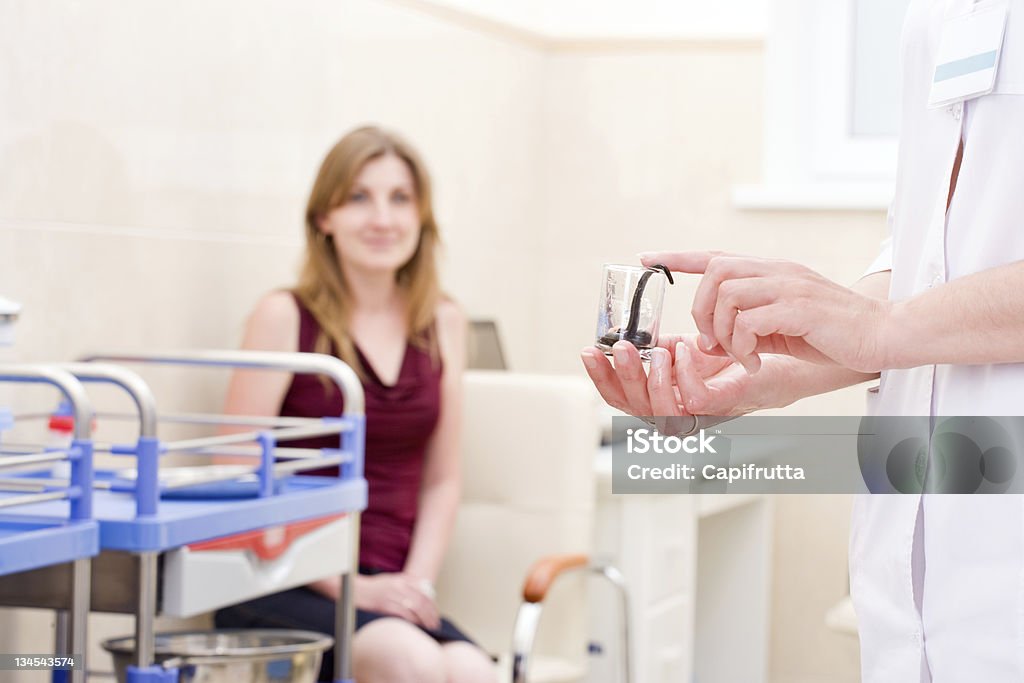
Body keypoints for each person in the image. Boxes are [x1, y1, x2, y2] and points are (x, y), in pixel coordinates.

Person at [582, 0, 1024, 680]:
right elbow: (923, 266)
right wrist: (777, 369)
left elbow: (896, 321)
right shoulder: (927, 21)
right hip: (907, 589)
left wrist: (880, 328)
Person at [214, 126, 496, 683]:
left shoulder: (443, 321)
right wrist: (349, 587)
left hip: (392, 582)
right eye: (359, 198)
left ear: (421, 218)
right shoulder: (282, 316)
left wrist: (416, 585)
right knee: (406, 658)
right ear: (325, 217)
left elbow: (441, 480)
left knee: (472, 670)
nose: (382, 219)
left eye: (400, 199)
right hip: (283, 580)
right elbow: (234, 475)